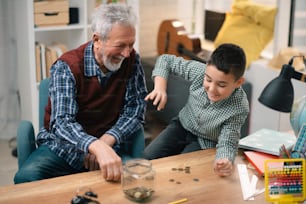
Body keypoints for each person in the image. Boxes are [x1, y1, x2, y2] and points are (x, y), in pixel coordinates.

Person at [14, 3, 147, 183]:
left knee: (138, 181)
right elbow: (62, 122)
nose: (126, 53)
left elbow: (135, 109)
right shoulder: (66, 66)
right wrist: (94, 146)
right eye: (120, 45)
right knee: (26, 178)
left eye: (131, 44)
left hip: (109, 145)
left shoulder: (132, 60)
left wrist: (106, 142)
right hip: (62, 149)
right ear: (97, 40)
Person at [143, 43, 249, 177]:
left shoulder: (239, 107)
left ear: (239, 82)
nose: (211, 89)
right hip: (181, 126)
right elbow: (165, 60)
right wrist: (159, 88)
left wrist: (225, 159)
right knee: (148, 158)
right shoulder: (199, 71)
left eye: (221, 85)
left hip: (205, 141)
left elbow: (228, 139)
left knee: (182, 170)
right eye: (208, 80)